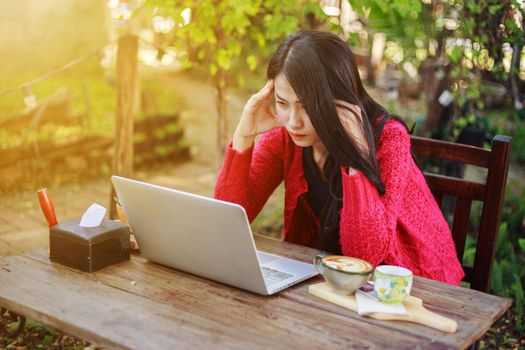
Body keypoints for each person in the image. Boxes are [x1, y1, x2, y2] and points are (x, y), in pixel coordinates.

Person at [214, 30, 464, 285]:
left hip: (411, 287)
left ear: (339, 98)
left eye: (307, 105)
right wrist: (244, 135)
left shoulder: (389, 139)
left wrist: (354, 154)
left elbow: (366, 255)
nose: (293, 121)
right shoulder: (285, 136)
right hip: (332, 285)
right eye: (282, 102)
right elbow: (226, 220)